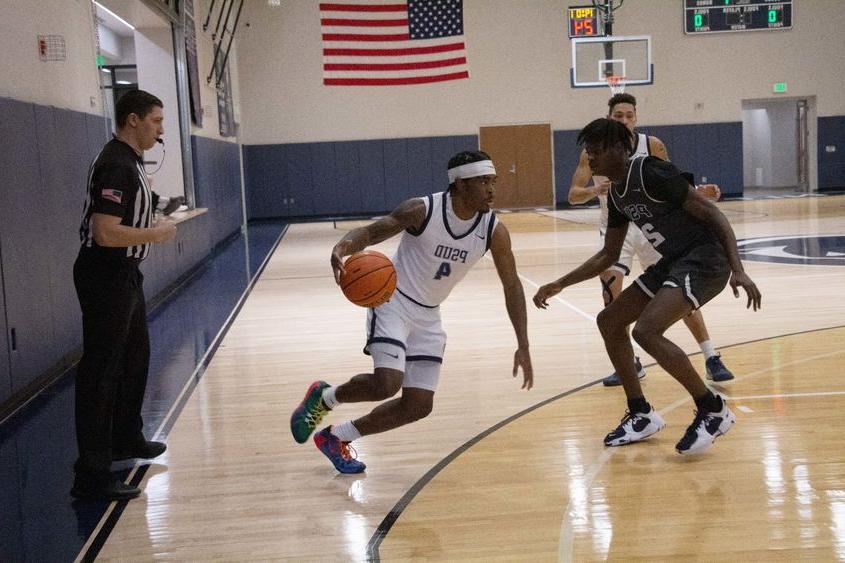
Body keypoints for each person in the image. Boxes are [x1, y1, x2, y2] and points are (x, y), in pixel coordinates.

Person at [290, 150, 533, 473]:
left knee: (418, 405)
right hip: (392, 301)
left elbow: (512, 285)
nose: (491, 189)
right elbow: (372, 232)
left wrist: (523, 344)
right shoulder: (423, 210)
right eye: (483, 181)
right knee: (387, 383)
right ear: (459, 184)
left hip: (429, 315)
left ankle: (337, 437)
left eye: (493, 181)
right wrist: (343, 248)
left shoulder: (493, 231)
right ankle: (326, 398)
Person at [534, 119, 761, 454]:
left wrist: (739, 269)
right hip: (674, 260)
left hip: (705, 259)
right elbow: (608, 255)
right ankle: (641, 414)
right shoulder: (616, 196)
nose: (590, 161)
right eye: (588, 154)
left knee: (646, 331)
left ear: (618, 149)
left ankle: (712, 408)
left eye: (595, 153)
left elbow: (714, 215)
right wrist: (560, 283)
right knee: (609, 321)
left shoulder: (651, 171)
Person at [567, 93, 734, 386]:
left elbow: (671, 182)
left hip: (652, 227)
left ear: (636, 117)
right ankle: (629, 363)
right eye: (618, 115)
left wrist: (699, 190)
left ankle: (710, 355)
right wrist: (598, 190)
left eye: (629, 115)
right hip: (617, 227)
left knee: (679, 288)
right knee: (611, 294)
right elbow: (573, 195)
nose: (625, 120)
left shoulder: (652, 146)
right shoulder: (593, 153)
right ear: (610, 118)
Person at [71, 90, 177, 500]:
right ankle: (91, 475)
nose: (161, 130)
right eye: (155, 121)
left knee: (135, 359)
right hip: (105, 275)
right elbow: (104, 231)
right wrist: (156, 233)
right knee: (101, 373)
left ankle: (125, 438)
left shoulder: (129, 160)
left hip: (126, 274)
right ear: (132, 120)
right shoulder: (116, 163)